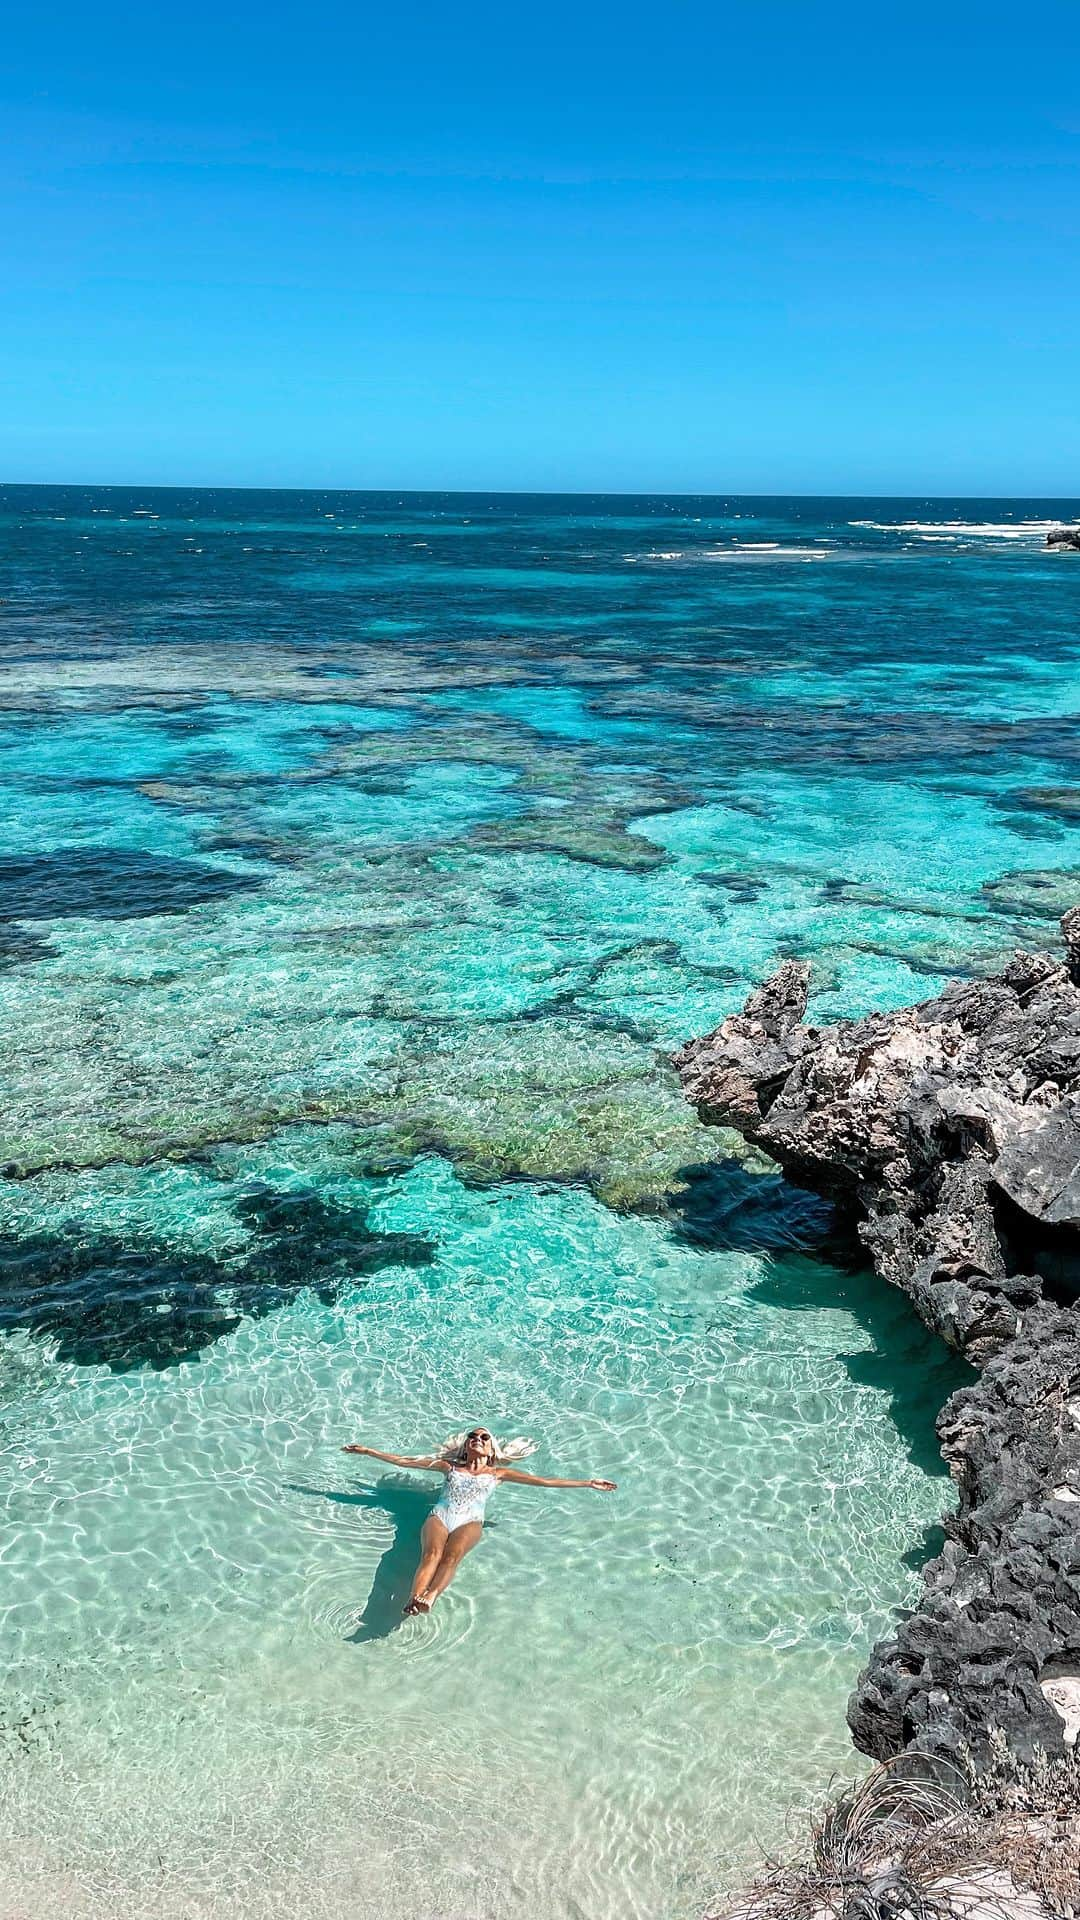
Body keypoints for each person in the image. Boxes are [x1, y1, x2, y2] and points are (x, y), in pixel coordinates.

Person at [342, 1425, 616, 1615]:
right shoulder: (449, 1466)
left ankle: (431, 1596)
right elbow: (405, 1461)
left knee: (451, 1557)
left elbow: (544, 1481)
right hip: (441, 1514)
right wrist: (368, 1452)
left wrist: (588, 1483)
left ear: (491, 1449)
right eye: (473, 1436)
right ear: (465, 1446)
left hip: (471, 1520)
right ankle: (415, 1598)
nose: (477, 1439)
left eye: (484, 1437)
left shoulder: (498, 1474)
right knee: (432, 1554)